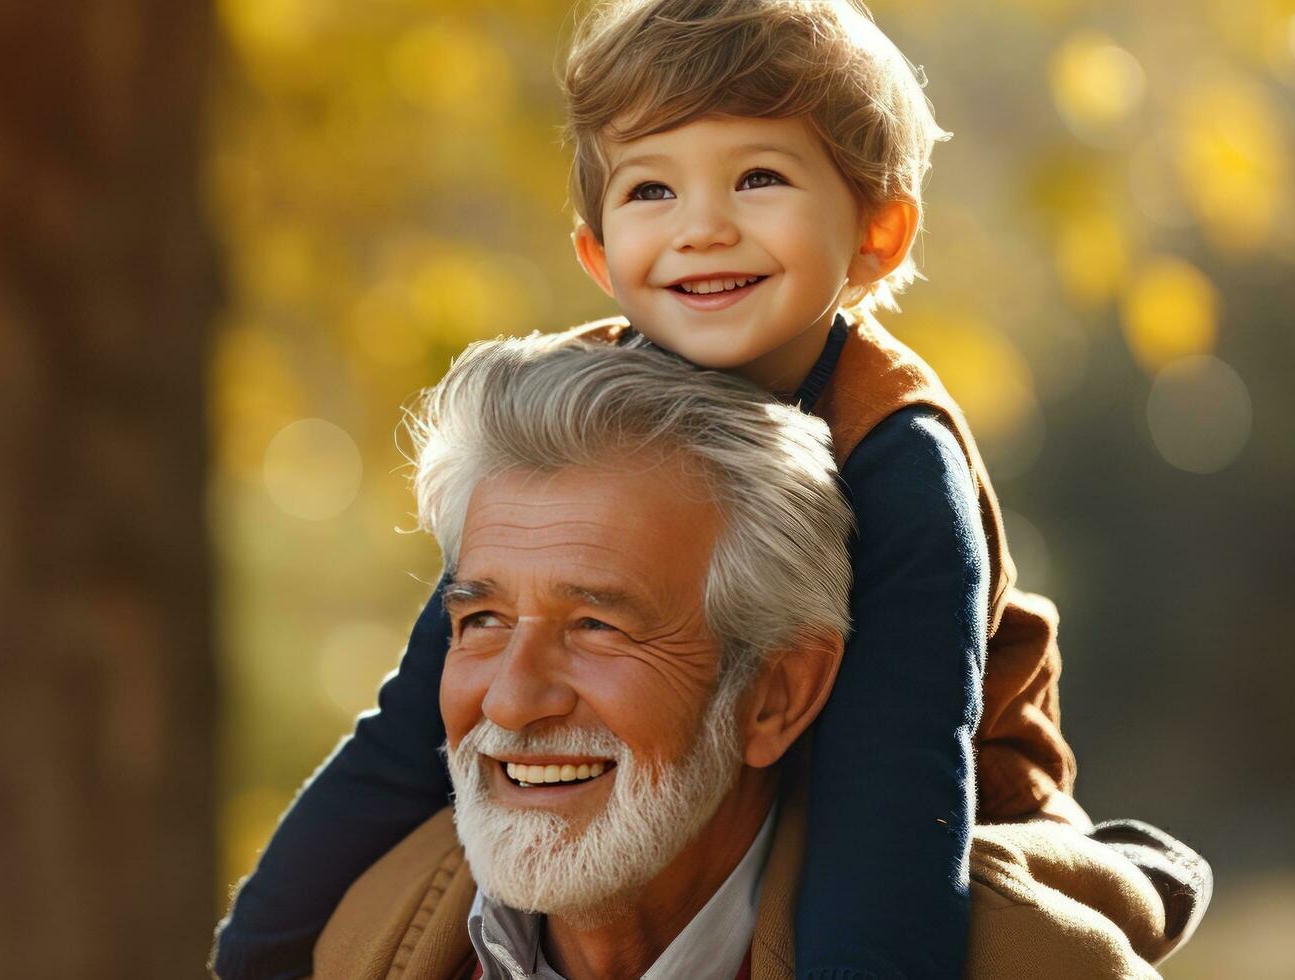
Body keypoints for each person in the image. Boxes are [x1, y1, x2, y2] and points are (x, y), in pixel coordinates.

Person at [216, 2, 1089, 976]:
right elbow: (409, 727)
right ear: (595, 256)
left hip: (934, 786)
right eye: (649, 190)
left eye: (757, 177)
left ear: (877, 232)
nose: (702, 227)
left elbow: (896, 795)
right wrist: (258, 954)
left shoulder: (900, 458)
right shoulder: (563, 420)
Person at [304, 335, 1207, 978]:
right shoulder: (360, 941)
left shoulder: (1031, 969)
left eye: (596, 627)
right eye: (482, 623)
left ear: (776, 694)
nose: (510, 702)